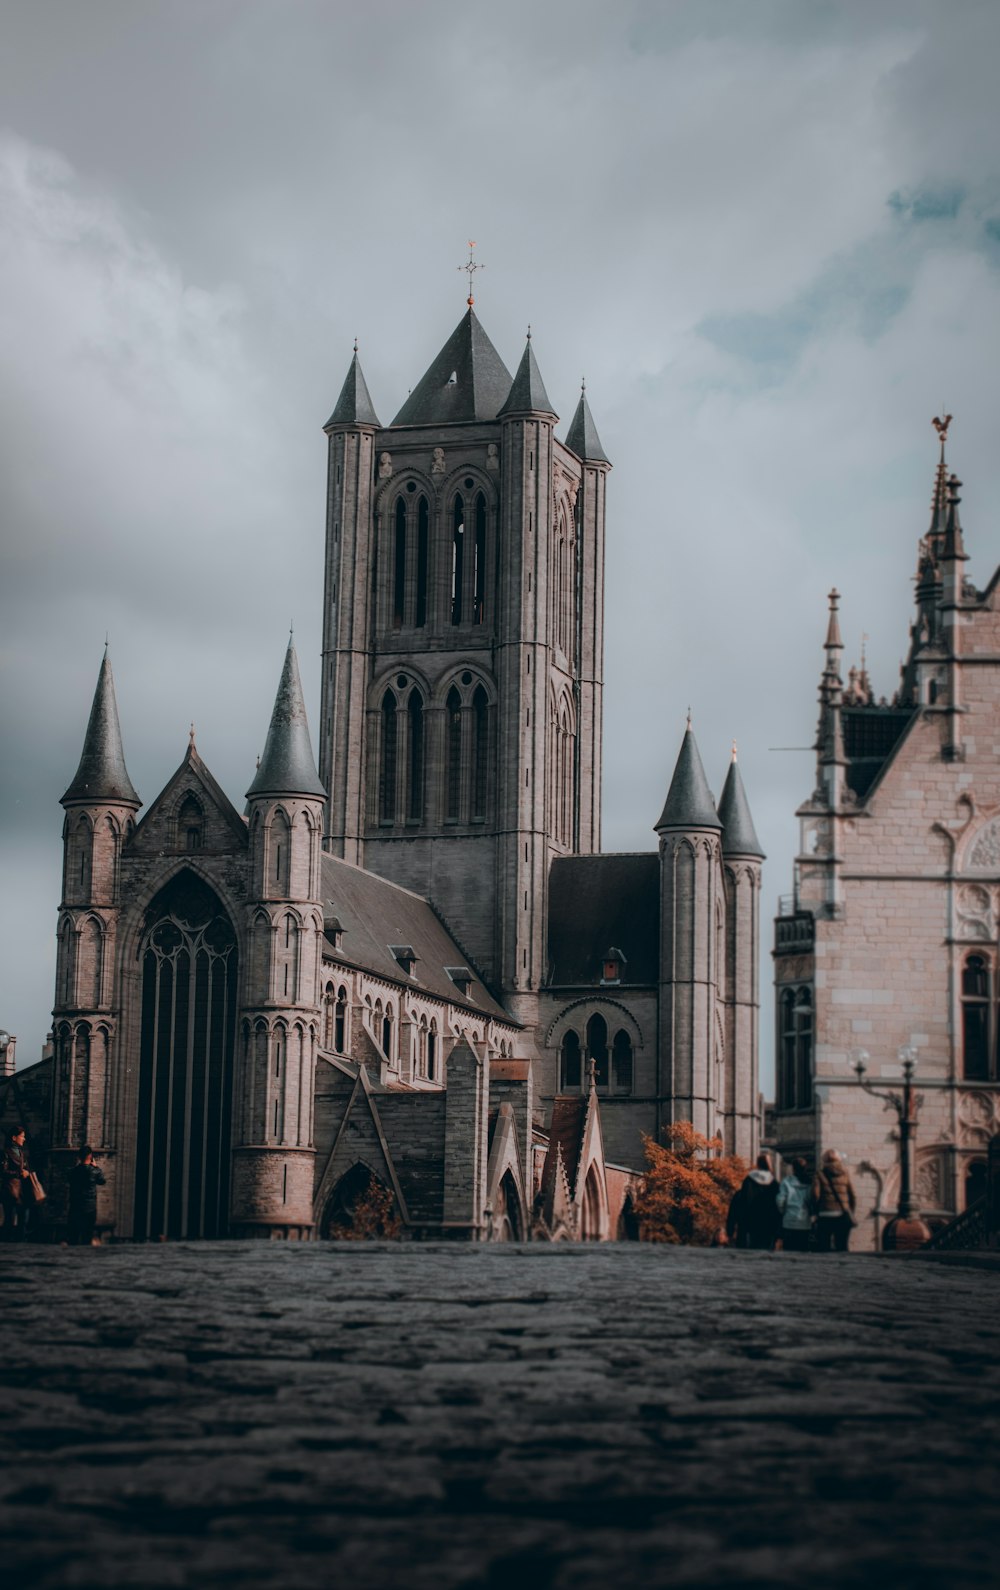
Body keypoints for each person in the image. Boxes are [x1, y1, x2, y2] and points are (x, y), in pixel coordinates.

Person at [727, 1153, 781, 1250]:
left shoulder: (748, 1180)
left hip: (748, 1227)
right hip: (767, 1227)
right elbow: (777, 1208)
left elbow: (739, 1204)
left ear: (758, 1165)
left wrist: (730, 1230)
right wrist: (778, 1232)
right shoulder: (774, 1184)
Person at [812, 1148, 857, 1251]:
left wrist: (815, 1209)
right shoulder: (845, 1173)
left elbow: (815, 1194)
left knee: (823, 1246)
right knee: (842, 1245)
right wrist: (851, 1210)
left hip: (825, 1214)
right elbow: (853, 1195)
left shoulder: (819, 1174)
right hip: (842, 1213)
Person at [67, 1145, 106, 1247]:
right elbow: (102, 1181)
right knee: (87, 1236)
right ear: (90, 1156)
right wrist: (96, 1167)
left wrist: (77, 1166)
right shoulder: (95, 1171)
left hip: (75, 1207)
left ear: (79, 1157)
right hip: (90, 1207)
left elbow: (69, 1179)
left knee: (73, 1236)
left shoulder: (73, 1171)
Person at [1, 1126, 32, 1241]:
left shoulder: (20, 1152)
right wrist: (19, 1173)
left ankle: (20, 1240)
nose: (24, 1139)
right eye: (22, 1136)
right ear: (14, 1137)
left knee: (23, 1217)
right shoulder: (6, 1153)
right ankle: (7, 1241)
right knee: (9, 1217)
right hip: (10, 1189)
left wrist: (27, 1172)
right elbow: (3, 1171)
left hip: (22, 1190)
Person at [776, 1158, 813, 1252]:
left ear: (793, 1169)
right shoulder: (810, 1182)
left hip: (789, 1219)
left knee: (788, 1250)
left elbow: (780, 1200)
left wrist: (783, 1212)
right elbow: (811, 1200)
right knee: (803, 1250)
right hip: (804, 1221)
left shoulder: (786, 1182)